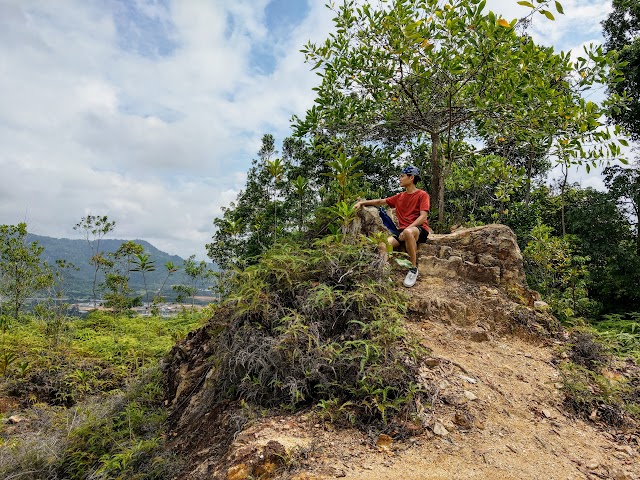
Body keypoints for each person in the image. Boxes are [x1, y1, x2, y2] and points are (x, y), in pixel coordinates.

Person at [354, 165, 430, 287]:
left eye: (402, 176)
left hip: (418, 230)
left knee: (408, 233)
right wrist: (362, 202)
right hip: (401, 231)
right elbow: (380, 202)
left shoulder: (422, 195)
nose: (400, 179)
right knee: (382, 245)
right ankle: (385, 273)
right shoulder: (399, 197)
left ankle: (413, 269)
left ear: (411, 178)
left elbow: (423, 217)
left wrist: (408, 228)